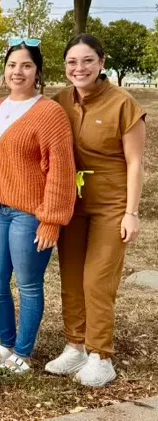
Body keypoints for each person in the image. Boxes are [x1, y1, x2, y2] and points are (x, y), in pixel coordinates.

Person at [45, 34, 146, 387]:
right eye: (72, 62)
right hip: (72, 203)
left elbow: (136, 163)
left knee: (97, 280)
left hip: (111, 204)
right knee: (72, 277)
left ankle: (101, 355)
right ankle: (75, 346)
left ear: (102, 63)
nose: (80, 68)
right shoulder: (59, 102)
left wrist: (131, 212)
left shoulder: (123, 104)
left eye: (88, 60)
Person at [0, 38, 76, 374]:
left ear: (37, 71)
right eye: (12, 65)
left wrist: (52, 220)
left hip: (31, 213)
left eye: (26, 65)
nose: (17, 71)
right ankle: (6, 343)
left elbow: (61, 170)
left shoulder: (50, 113)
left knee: (28, 283)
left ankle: (23, 351)